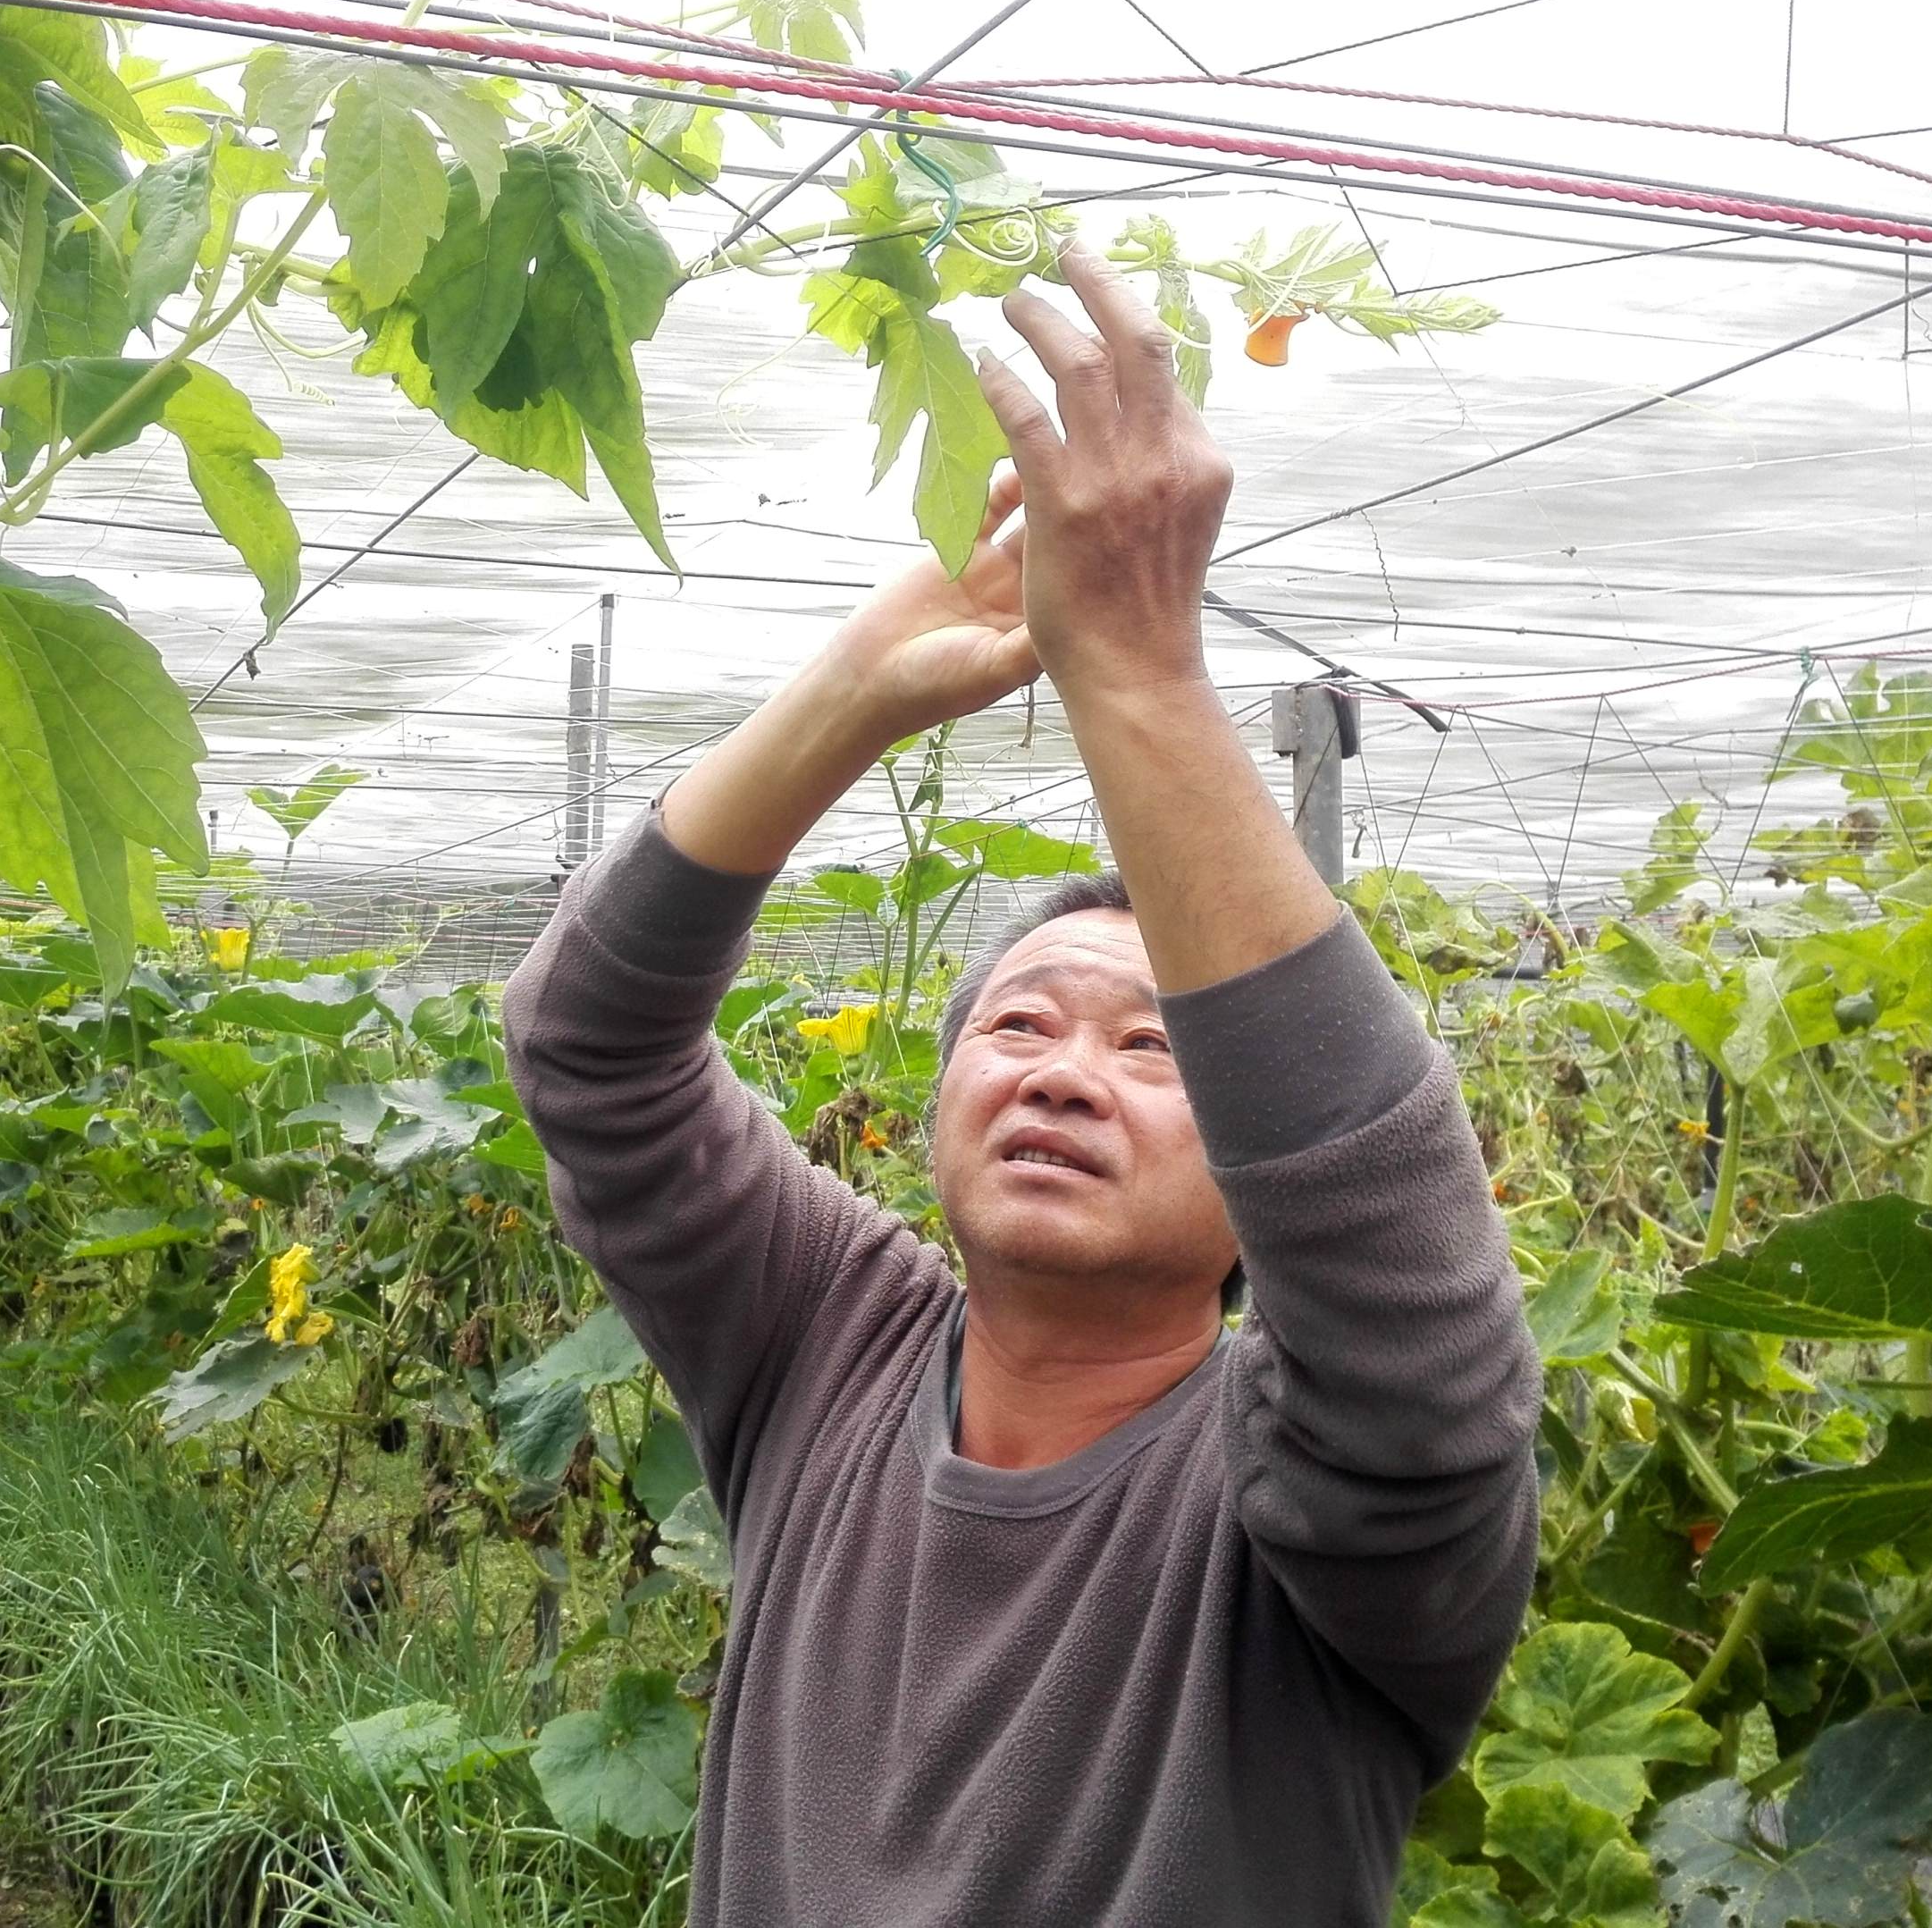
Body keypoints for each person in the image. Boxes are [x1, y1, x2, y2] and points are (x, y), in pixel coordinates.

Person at [500, 244, 1541, 1927]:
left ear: (1262, 1194)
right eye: (1018, 1027)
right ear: (934, 1110)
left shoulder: (1317, 1522)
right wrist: (849, 694)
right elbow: (589, 1053)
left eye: (1159, 1050)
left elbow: (1413, 1302)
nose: (1068, 1068)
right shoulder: (825, 1348)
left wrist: (1137, 674)